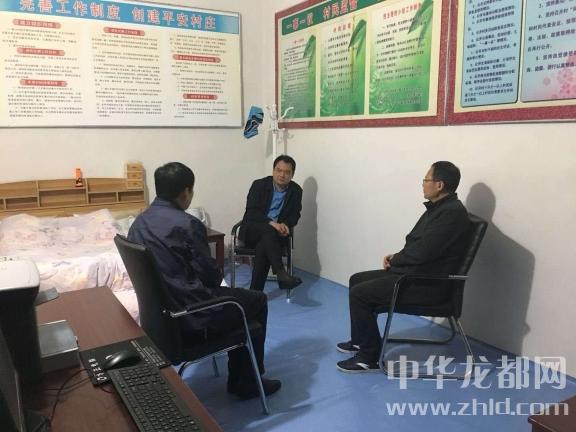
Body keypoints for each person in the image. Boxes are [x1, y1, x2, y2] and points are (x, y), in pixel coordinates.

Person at [128, 162, 281, 399]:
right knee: (257, 301)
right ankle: (247, 381)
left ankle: (242, 375)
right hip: (193, 315)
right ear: (186, 191)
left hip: (161, 320)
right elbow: (212, 277)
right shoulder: (187, 224)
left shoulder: (139, 223)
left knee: (242, 302)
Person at [336, 161, 471, 373]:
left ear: (439, 185)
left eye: (426, 179)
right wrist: (396, 258)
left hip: (428, 285)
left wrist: (397, 260)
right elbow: (419, 246)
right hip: (415, 274)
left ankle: (369, 358)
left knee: (360, 294)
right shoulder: (440, 208)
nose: (423, 184)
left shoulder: (451, 214)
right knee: (357, 280)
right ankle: (361, 341)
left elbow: (424, 252)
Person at [240, 155, 303, 292]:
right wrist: (272, 223)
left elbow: (295, 215)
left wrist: (286, 224)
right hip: (252, 230)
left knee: (263, 246)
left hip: (274, 237)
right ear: (273, 170)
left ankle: (255, 294)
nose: (282, 175)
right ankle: (281, 273)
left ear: (292, 174)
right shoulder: (259, 185)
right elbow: (251, 212)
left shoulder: (296, 190)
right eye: (278, 170)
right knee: (267, 230)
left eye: (287, 172)